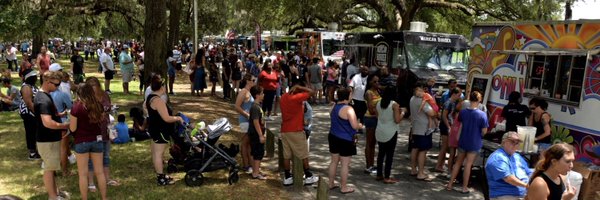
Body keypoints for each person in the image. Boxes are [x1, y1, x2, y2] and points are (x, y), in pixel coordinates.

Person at [34, 71, 70, 200]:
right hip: (47, 140)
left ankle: (56, 192)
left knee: (52, 167)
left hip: (50, 139)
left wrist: (59, 116)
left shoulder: (46, 95)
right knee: (49, 169)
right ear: (47, 82)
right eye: (56, 84)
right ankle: (52, 197)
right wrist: (64, 126)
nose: (58, 87)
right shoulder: (43, 99)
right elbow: (47, 123)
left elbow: (47, 116)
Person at [69, 83, 108, 200]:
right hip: (97, 140)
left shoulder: (76, 108)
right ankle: (104, 198)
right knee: (100, 172)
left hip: (81, 141)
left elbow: (73, 128)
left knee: (83, 174)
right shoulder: (98, 105)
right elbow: (101, 120)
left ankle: (84, 198)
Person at [146, 74, 184, 185]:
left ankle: (160, 173)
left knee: (155, 153)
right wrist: (178, 118)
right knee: (158, 154)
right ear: (162, 87)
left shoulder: (150, 97)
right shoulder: (158, 101)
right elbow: (166, 118)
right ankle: (161, 178)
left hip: (153, 128)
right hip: (160, 131)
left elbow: (145, 107)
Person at [447, 91, 489, 194]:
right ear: (479, 100)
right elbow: (484, 131)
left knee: (458, 163)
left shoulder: (463, 112)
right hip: (474, 142)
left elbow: (460, 124)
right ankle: (464, 187)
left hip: (463, 140)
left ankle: (450, 184)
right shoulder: (482, 114)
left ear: (469, 99)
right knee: (468, 165)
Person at [280, 83, 318, 186]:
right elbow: (312, 92)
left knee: (287, 155)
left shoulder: (283, 97)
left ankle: (287, 176)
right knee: (304, 154)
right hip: (296, 130)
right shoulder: (296, 98)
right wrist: (300, 87)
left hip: (285, 130)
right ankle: (308, 175)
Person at [328, 87, 363, 194]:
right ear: (348, 96)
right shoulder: (348, 109)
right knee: (345, 164)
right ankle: (343, 187)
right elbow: (354, 125)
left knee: (334, 161)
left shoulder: (334, 106)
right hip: (345, 139)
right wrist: (360, 125)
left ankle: (331, 183)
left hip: (333, 136)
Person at [85, 77, 118, 189]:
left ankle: (106, 178)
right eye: (90, 85)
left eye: (94, 84)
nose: (93, 87)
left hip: (105, 129)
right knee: (91, 158)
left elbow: (108, 108)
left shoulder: (104, 95)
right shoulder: (85, 99)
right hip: (92, 132)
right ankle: (90, 182)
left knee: (106, 155)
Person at [485, 131, 533, 200]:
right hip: (504, 194)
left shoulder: (517, 156)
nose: (515, 145)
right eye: (512, 142)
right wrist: (527, 186)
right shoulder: (498, 158)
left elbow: (528, 172)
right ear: (504, 142)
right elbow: (509, 179)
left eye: (517, 143)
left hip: (523, 193)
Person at [375, 86, 405, 183]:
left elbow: (377, 116)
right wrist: (403, 113)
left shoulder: (378, 103)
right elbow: (397, 120)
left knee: (381, 153)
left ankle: (379, 174)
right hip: (391, 132)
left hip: (380, 130)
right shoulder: (394, 105)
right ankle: (387, 177)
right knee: (389, 155)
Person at [409, 83, 436, 181]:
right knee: (423, 150)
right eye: (421, 90)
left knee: (415, 148)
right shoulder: (422, 101)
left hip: (415, 127)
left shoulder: (412, 99)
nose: (423, 92)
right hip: (423, 128)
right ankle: (420, 173)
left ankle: (413, 169)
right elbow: (432, 113)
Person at [49, 71, 73, 176]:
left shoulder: (46, 94)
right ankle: (64, 171)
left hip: (50, 122)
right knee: (63, 148)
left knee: (52, 148)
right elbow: (70, 107)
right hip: (62, 122)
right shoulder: (62, 95)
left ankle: (52, 170)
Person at [435, 87, 462, 173]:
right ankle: (438, 165)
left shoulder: (453, 102)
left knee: (446, 146)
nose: (459, 97)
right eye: (458, 95)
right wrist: (448, 126)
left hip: (448, 125)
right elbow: (444, 116)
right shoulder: (449, 102)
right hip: (445, 126)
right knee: (444, 146)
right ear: (454, 94)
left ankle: (440, 165)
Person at [234, 74, 256, 174]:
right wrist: (247, 114)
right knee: (245, 143)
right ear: (248, 81)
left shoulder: (248, 92)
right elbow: (237, 106)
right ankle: (246, 165)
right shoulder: (243, 91)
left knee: (248, 143)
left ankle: (249, 164)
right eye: (253, 80)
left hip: (249, 120)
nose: (254, 82)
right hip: (245, 120)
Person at [19, 69, 40, 159]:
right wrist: (37, 113)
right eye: (34, 76)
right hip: (29, 113)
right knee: (31, 131)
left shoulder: (31, 85)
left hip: (32, 112)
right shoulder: (26, 87)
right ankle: (32, 153)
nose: (36, 78)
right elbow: (29, 103)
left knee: (34, 131)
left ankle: (35, 149)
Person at [248, 85, 267, 180]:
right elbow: (256, 122)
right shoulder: (255, 107)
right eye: (262, 93)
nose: (263, 95)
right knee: (258, 153)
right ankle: (255, 173)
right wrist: (260, 135)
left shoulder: (258, 106)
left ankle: (256, 170)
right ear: (257, 95)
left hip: (257, 133)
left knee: (256, 152)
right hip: (256, 134)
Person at [363, 74, 380, 174]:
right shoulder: (369, 93)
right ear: (370, 82)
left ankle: (372, 164)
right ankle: (368, 165)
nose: (377, 83)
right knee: (369, 143)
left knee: (373, 143)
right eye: (375, 82)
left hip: (376, 119)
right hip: (370, 118)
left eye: (378, 81)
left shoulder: (377, 91)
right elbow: (371, 109)